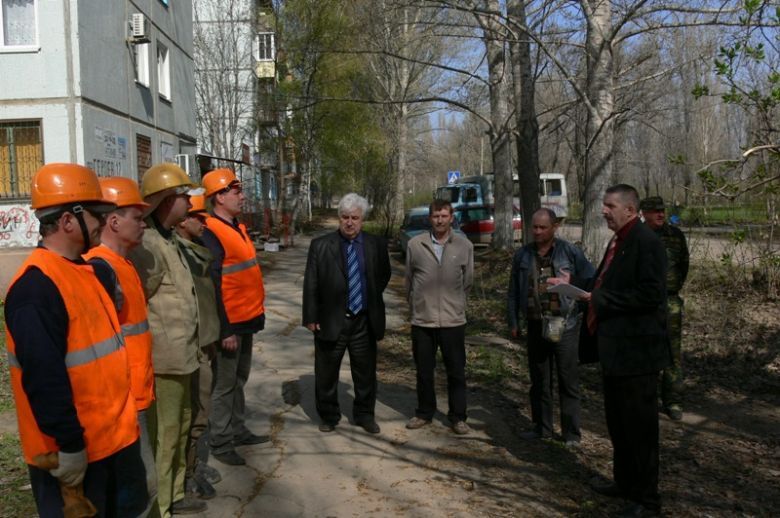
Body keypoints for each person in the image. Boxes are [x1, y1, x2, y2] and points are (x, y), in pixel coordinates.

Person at [4, 163, 147, 516]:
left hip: (117, 441)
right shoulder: (35, 289)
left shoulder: (89, 271)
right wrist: (69, 447)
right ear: (68, 221)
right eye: (98, 214)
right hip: (76, 456)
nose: (103, 222)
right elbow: (44, 378)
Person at [555, 184, 669, 517]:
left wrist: (598, 300)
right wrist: (572, 282)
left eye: (609, 206)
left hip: (639, 354)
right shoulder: (618, 240)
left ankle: (646, 499)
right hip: (615, 351)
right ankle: (624, 483)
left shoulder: (647, 243)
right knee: (618, 424)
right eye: (603, 205)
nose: (603, 211)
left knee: (640, 429)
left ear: (630, 210)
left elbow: (650, 296)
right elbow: (606, 283)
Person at [128, 163, 206, 516]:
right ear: (164, 200)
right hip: (165, 359)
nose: (190, 203)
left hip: (184, 355)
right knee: (167, 434)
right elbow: (138, 300)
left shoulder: (169, 238)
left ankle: (174, 494)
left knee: (183, 425)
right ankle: (160, 504)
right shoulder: (148, 245)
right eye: (183, 196)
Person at [82, 177, 157, 516]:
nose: (143, 225)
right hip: (122, 402)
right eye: (137, 218)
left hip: (136, 393)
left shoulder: (122, 264)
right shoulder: (101, 270)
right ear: (113, 221)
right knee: (137, 494)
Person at [302, 193, 391, 434]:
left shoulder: (376, 245)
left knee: (365, 374)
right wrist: (311, 317)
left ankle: (364, 415)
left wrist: (365, 298)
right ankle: (329, 416)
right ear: (338, 218)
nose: (349, 222)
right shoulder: (321, 246)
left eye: (354, 217)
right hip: (331, 320)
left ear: (362, 219)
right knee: (326, 373)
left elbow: (382, 276)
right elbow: (311, 283)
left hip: (364, 319)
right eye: (344, 217)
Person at [507, 208, 595, 446]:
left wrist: (582, 297)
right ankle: (541, 427)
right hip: (537, 325)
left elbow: (591, 279)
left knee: (568, 381)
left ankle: (571, 434)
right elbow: (513, 291)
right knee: (539, 380)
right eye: (534, 227)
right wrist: (514, 321)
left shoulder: (570, 252)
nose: (537, 231)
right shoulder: (523, 255)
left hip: (565, 325)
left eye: (542, 227)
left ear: (554, 227)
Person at [200, 169, 269, 466]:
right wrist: (224, 329)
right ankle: (221, 440)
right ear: (219, 196)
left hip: (247, 320)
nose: (242, 196)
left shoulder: (236, 226)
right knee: (225, 384)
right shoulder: (210, 232)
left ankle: (237, 429)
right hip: (231, 325)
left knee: (239, 379)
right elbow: (213, 285)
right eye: (236, 191)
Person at [404, 199, 474, 435]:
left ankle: (458, 416)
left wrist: (455, 304)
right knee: (424, 370)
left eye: (444, 215)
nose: (440, 220)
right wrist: (415, 305)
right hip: (423, 320)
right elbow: (408, 280)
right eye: (436, 216)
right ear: (430, 218)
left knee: (456, 371)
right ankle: (424, 412)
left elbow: (468, 282)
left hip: (453, 320)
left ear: (451, 217)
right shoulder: (415, 245)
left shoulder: (464, 246)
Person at [174, 194, 223, 498]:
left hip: (206, 341)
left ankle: (192, 469)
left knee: (202, 410)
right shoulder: (175, 253)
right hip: (190, 345)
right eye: (198, 217)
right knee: (191, 413)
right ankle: (186, 478)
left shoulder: (198, 248)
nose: (204, 222)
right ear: (180, 220)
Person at [640, 196, 689, 421]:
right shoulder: (636, 236)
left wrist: (671, 287)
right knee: (645, 352)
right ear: (644, 213)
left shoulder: (675, 236)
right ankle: (645, 399)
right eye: (655, 211)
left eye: (662, 210)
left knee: (672, 353)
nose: (660, 214)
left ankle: (673, 401)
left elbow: (683, 266)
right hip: (643, 304)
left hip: (669, 302)